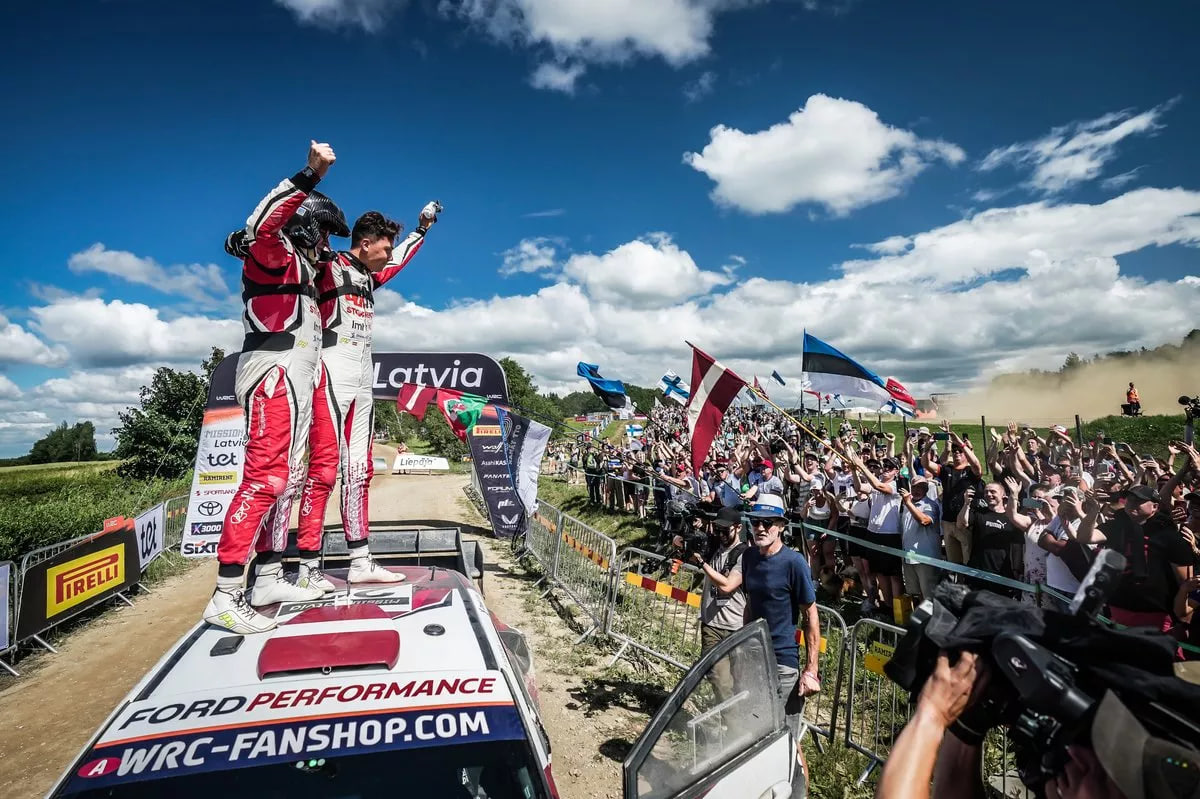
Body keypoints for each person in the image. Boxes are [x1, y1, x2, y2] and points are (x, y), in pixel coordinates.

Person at [204, 141, 343, 634]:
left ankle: (265, 577)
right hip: (273, 373)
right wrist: (310, 174)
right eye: (324, 232)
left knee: (289, 478)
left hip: (300, 375)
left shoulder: (309, 267)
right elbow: (261, 226)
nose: (328, 244)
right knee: (266, 479)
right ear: (305, 225)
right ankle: (224, 593)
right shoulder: (273, 252)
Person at [293, 203, 441, 592]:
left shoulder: (370, 277)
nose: (389, 255)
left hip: (362, 377)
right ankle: (308, 564)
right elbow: (299, 248)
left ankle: (360, 560)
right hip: (331, 370)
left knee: (360, 471)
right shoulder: (328, 266)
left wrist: (422, 230)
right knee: (324, 469)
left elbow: (402, 259)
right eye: (384, 248)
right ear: (364, 243)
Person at [741, 493, 821, 780]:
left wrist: (812, 670)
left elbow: (811, 616)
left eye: (767, 523)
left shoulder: (794, 563)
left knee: (787, 738)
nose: (760, 528)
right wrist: (743, 644)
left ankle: (797, 791)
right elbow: (750, 603)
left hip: (784, 663)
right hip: (754, 658)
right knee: (755, 731)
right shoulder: (749, 556)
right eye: (755, 522)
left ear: (781, 526)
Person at [898, 475, 941, 602]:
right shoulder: (907, 504)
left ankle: (933, 621)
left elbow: (924, 520)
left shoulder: (930, 505)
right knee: (916, 594)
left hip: (925, 557)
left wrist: (908, 503)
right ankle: (921, 620)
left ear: (926, 489)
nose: (916, 490)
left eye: (921, 487)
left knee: (929, 595)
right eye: (914, 486)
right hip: (909, 555)